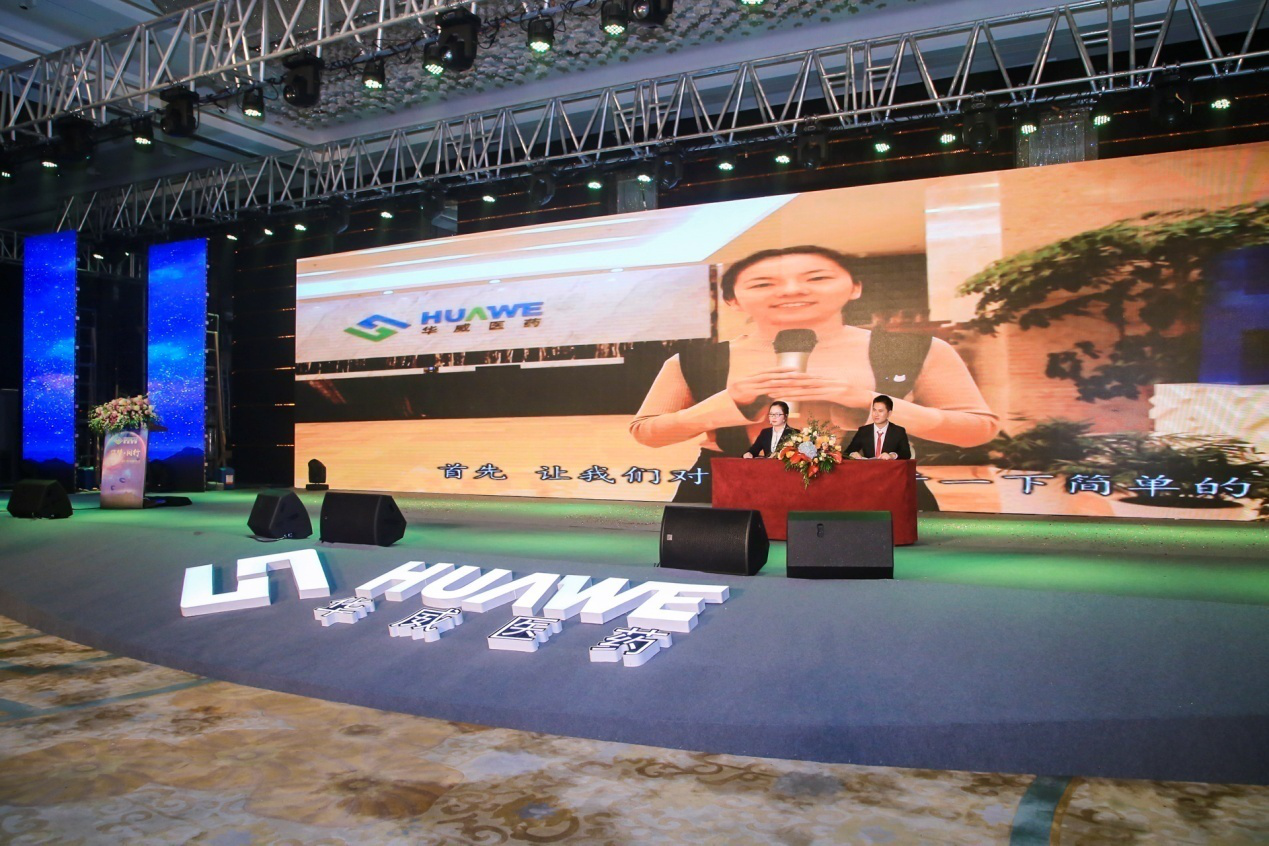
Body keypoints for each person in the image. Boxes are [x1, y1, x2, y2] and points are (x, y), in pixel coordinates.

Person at [630, 245, 998, 502]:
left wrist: (870, 403)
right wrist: (729, 403)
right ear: (732, 299)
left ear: (855, 288)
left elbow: (977, 430)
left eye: (817, 277)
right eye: (763, 283)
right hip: (729, 491)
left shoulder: (916, 349)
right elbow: (647, 433)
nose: (792, 290)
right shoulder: (694, 360)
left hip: (874, 490)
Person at [846, 395, 911, 460]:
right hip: (868, 466)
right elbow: (847, 452)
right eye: (874, 410)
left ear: (889, 413)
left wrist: (892, 456)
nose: (876, 414)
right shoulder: (863, 431)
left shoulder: (898, 431)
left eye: (880, 411)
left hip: (890, 466)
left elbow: (906, 454)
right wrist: (852, 454)